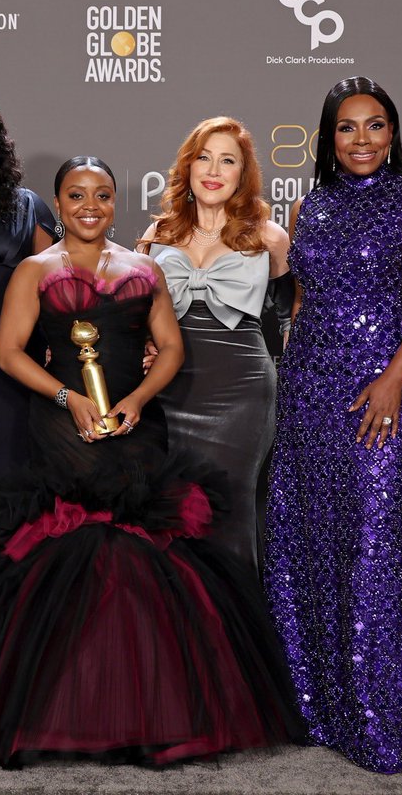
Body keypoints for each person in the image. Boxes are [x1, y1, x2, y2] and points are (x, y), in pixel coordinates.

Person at [0, 157, 302, 766]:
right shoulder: (33, 270)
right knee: (65, 551)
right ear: (59, 202)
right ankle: (57, 710)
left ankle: (142, 709)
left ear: (116, 201)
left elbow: (172, 348)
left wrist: (137, 400)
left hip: (134, 428)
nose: (89, 205)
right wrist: (65, 396)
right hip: (60, 428)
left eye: (101, 194)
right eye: (76, 195)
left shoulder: (143, 268)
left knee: (141, 558)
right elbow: (8, 353)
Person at [264, 76, 402, 775]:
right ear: (328, 138)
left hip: (381, 389)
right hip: (308, 391)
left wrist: (391, 379)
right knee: (314, 539)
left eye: (375, 125)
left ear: (393, 132)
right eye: (347, 128)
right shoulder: (310, 205)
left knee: (376, 543)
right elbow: (301, 300)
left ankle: (384, 707)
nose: (362, 140)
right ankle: (322, 703)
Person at [138, 117, 292, 573]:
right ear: (187, 167)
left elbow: (288, 319)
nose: (214, 169)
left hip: (241, 390)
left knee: (232, 509)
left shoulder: (270, 236)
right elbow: (139, 319)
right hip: (170, 390)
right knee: (174, 513)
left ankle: (236, 634)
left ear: (243, 175)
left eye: (228, 160)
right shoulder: (155, 237)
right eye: (204, 157)